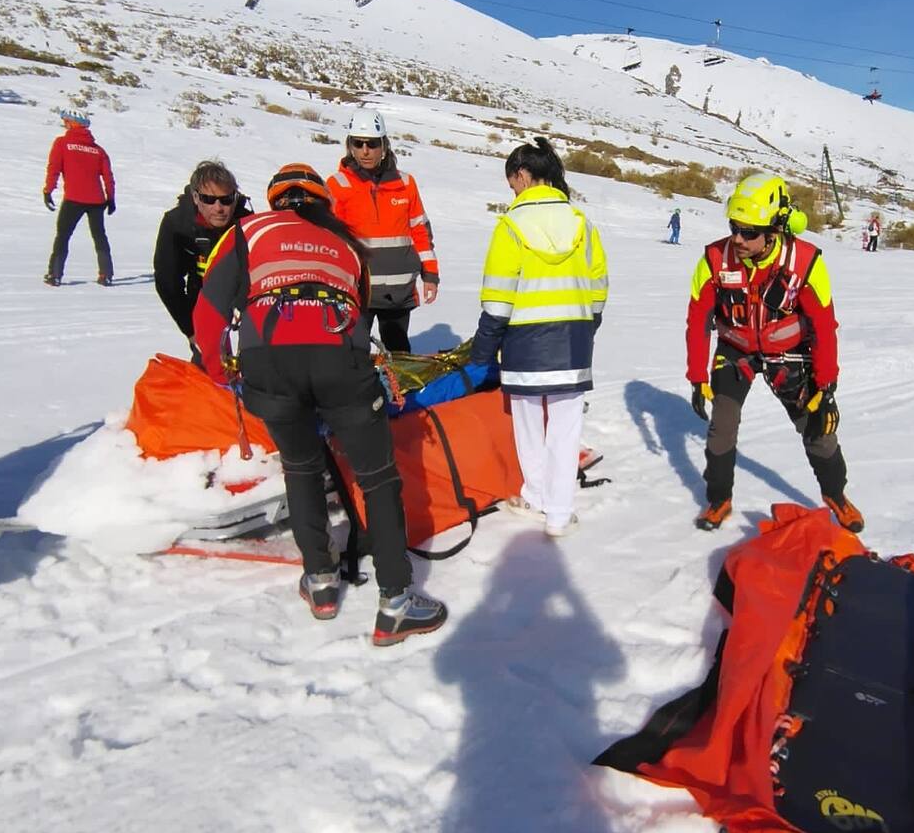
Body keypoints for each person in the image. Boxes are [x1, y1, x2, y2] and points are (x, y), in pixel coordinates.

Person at [193, 162, 447, 646]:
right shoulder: (347, 243)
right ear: (323, 203)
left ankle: (321, 581)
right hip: (339, 359)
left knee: (301, 467)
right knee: (378, 476)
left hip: (268, 361)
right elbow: (361, 311)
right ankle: (396, 601)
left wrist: (220, 372)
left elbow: (208, 312)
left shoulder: (248, 231)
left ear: (275, 200)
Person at [686, 171, 862, 533]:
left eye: (749, 232)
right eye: (734, 227)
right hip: (736, 351)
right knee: (722, 427)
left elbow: (824, 326)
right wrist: (697, 376)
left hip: (790, 354)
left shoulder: (805, 262)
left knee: (818, 428)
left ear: (775, 230)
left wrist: (826, 385)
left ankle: (836, 495)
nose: (738, 239)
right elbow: (698, 320)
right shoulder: (715, 259)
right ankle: (719, 500)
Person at [468, 138, 608, 539]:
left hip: (524, 343)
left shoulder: (511, 226)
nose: (511, 191)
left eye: (511, 182)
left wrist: (482, 353)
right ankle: (559, 514)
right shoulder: (582, 225)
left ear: (523, 175)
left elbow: (498, 300)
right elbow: (598, 288)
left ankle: (534, 496)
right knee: (565, 430)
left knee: (529, 426)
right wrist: (585, 328)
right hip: (573, 341)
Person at [325, 110, 438, 352]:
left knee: (398, 354)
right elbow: (330, 242)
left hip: (398, 293)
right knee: (352, 354)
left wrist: (430, 275)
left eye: (372, 144)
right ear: (350, 146)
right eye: (359, 143)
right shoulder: (337, 185)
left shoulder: (405, 183)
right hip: (358, 292)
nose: (365, 151)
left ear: (384, 145)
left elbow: (420, 232)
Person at [153, 160, 253, 360]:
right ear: (196, 197)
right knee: (207, 362)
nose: (219, 208)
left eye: (226, 200)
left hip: (241, 304)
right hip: (200, 301)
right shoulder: (178, 225)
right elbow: (167, 282)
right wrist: (190, 331)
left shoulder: (247, 223)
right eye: (209, 199)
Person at [43, 110, 116, 286]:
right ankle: (106, 274)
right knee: (99, 236)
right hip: (97, 201)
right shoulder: (98, 150)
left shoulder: (62, 143)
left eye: (66, 121)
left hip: (73, 199)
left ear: (72, 123)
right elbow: (108, 176)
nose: (64, 124)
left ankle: (55, 275)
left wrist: (48, 190)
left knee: (63, 236)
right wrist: (111, 198)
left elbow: (54, 168)